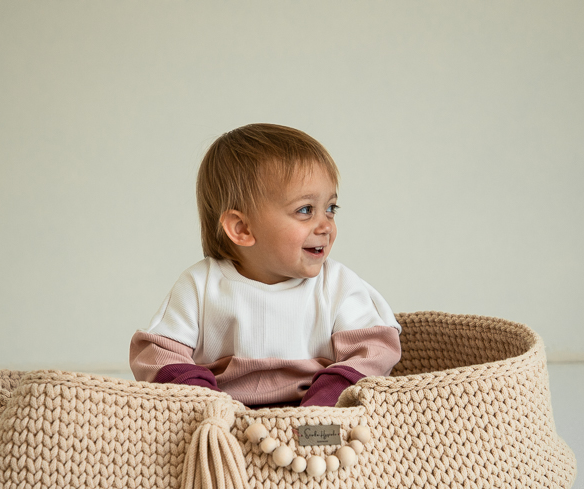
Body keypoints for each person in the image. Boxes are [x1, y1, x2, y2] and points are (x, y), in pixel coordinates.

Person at [129, 123, 401, 408]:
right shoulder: (201, 285)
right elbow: (157, 355)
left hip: (317, 414)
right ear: (242, 229)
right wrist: (205, 403)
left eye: (330, 208)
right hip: (225, 418)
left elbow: (374, 351)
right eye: (305, 210)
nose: (326, 226)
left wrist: (324, 403)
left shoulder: (337, 285)